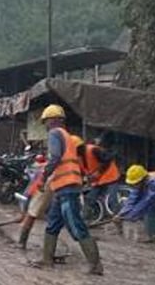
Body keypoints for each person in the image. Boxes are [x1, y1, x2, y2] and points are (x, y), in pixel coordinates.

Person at [33, 104, 103, 274]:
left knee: (76, 225)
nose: (46, 125)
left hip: (67, 186)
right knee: (52, 225)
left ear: (55, 120)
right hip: (62, 188)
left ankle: (95, 264)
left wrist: (43, 177)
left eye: (47, 121)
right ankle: (46, 259)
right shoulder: (67, 136)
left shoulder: (55, 134)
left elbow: (55, 157)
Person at [117, 165, 155, 243]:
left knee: (153, 212)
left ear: (142, 179)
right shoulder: (142, 182)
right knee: (152, 211)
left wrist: (129, 216)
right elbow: (133, 198)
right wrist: (122, 213)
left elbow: (146, 202)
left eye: (136, 183)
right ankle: (152, 237)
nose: (135, 185)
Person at [78, 135, 122, 217]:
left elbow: (108, 159)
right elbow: (83, 170)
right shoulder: (79, 157)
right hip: (98, 180)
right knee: (90, 198)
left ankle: (119, 218)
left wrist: (98, 172)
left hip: (110, 176)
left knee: (112, 200)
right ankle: (87, 218)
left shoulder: (93, 150)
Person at [15, 153, 47, 250]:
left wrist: (23, 214)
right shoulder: (44, 167)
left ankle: (21, 242)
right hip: (62, 188)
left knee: (31, 215)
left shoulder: (40, 170)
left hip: (42, 188)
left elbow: (29, 192)